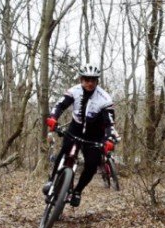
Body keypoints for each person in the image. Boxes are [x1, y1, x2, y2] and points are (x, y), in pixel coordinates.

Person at [43, 63, 120, 207]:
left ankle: (77, 191)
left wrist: (109, 138)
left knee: (92, 164)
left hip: (94, 134)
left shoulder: (105, 99)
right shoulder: (74, 91)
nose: (89, 83)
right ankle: (53, 180)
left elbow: (109, 123)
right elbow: (60, 105)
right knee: (64, 152)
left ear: (97, 81)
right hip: (75, 128)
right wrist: (53, 118)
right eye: (86, 79)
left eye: (93, 80)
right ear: (81, 79)